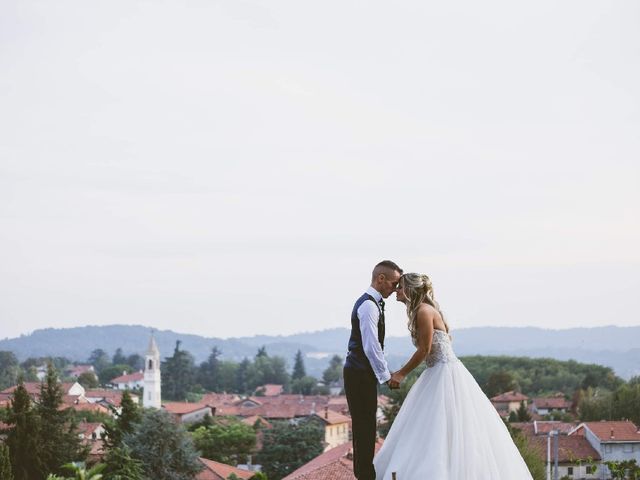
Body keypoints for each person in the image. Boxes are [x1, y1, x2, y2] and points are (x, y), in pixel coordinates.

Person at [373, 273, 534, 479]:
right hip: (437, 372)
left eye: (400, 287)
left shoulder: (423, 311)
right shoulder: (422, 310)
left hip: (444, 374)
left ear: (411, 290)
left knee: (442, 425)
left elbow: (424, 350)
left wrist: (401, 374)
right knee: (435, 428)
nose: (396, 291)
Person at [344, 260, 403, 480]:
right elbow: (371, 346)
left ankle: (366, 474)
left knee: (367, 423)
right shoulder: (368, 305)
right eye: (394, 283)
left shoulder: (374, 303)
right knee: (363, 425)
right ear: (381, 279)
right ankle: (364, 476)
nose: (395, 289)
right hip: (358, 372)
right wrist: (386, 376)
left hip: (362, 372)